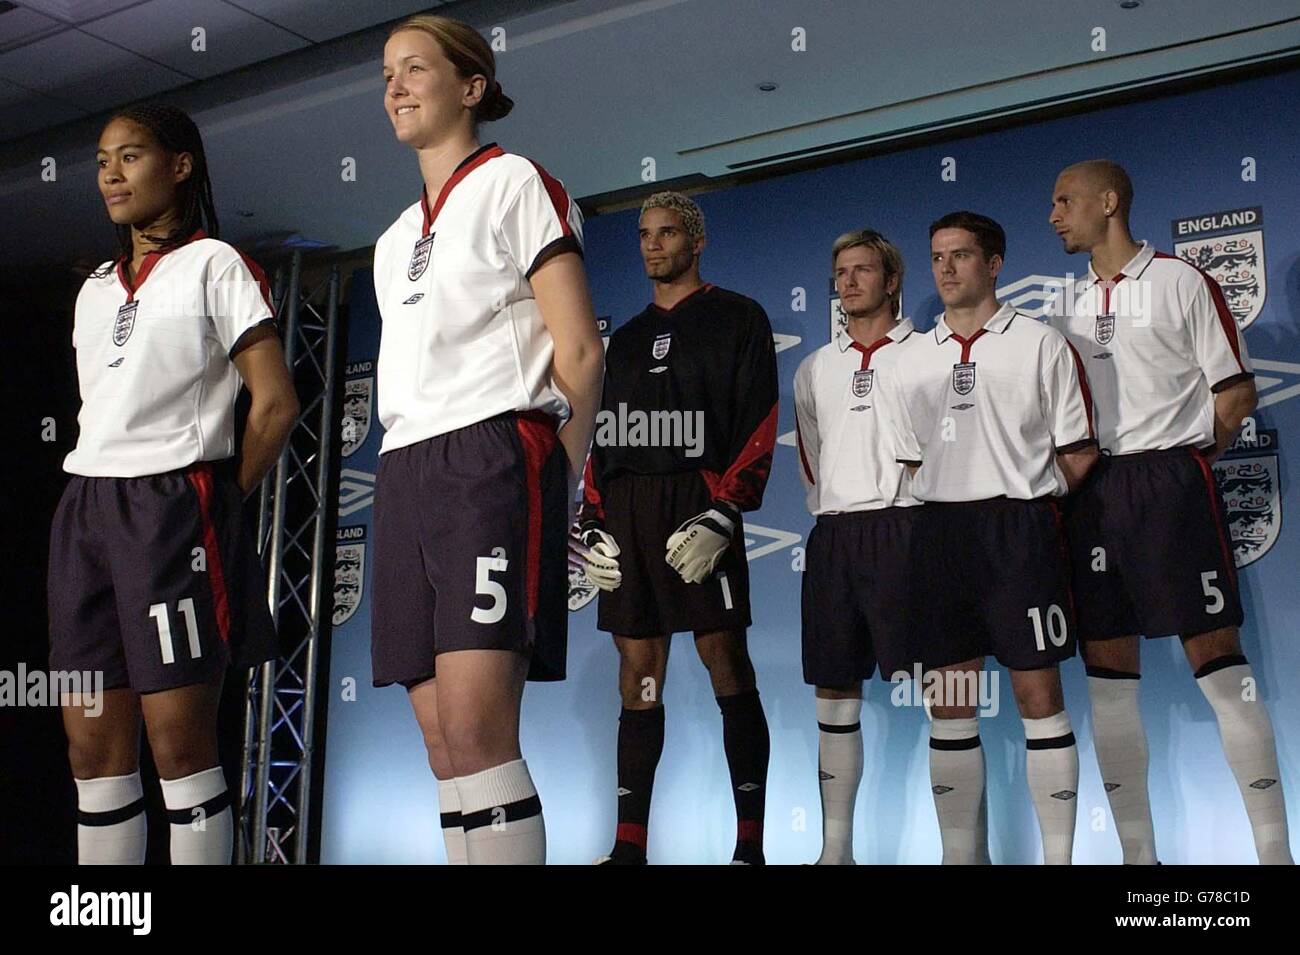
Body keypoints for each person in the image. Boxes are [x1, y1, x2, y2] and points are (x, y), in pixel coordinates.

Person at [372, 14, 604, 865]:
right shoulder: (394, 239)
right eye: (387, 73)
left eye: (415, 69)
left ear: (471, 88)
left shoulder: (516, 183)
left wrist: (557, 478)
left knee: (478, 729)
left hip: (492, 458)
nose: (394, 87)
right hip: (406, 468)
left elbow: (579, 348)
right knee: (441, 743)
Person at [50, 103, 297, 865]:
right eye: (101, 161)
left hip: (170, 509)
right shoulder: (94, 286)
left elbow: (277, 401)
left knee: (179, 748)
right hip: (86, 510)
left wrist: (217, 504)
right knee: (92, 754)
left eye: (130, 156)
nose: (111, 174)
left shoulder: (216, 264)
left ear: (180, 165)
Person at [1048, 159, 1292, 864]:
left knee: (1219, 659)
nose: (1055, 215)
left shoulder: (1182, 281)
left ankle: (1275, 856)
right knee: (1109, 670)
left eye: (1065, 201)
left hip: (1170, 483)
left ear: (1109, 201)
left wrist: (1183, 465)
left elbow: (1235, 394)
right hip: (1093, 495)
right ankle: (1139, 862)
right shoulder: (1064, 304)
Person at [878, 211, 1098, 864]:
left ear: (994, 263)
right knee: (950, 701)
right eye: (937, 256)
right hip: (940, 533)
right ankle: (960, 858)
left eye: (960, 255)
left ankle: (1057, 858)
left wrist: (1026, 492)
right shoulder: (908, 359)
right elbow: (909, 460)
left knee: (1039, 695)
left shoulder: (1039, 342)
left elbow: (1079, 451)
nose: (945, 268)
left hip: (1020, 531)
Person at [573, 191, 778, 865]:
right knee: (639, 672)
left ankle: (749, 847)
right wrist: (593, 521)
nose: (653, 245)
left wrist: (726, 509)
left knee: (725, 657)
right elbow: (599, 440)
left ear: (697, 240)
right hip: (630, 509)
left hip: (699, 500)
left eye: (666, 233)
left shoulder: (737, 316)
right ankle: (629, 848)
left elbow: (756, 420)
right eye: (643, 235)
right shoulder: (624, 338)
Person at [792, 229, 920, 865]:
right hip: (836, 538)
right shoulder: (815, 368)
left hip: (908, 530)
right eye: (840, 272)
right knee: (835, 693)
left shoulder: (926, 353)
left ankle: (964, 851)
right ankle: (834, 853)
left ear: (892, 281)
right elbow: (813, 461)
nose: (848, 282)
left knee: (948, 686)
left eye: (862, 270)